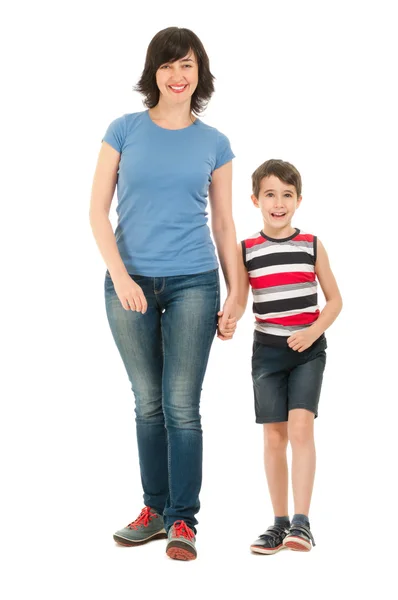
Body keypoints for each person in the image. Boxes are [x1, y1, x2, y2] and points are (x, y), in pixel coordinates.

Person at [89, 26, 238, 561]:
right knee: (147, 404)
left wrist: (236, 293)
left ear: (200, 75)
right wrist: (123, 278)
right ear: (154, 72)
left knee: (181, 405)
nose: (178, 75)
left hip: (195, 280)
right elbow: (96, 213)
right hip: (128, 283)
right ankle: (154, 511)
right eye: (169, 65)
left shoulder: (214, 143)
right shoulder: (123, 130)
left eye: (188, 66)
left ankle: (184, 521)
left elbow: (223, 225)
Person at [235, 159, 342, 554]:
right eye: (269, 194)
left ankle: (302, 522)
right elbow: (240, 300)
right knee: (273, 436)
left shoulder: (311, 244)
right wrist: (227, 318)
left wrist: (313, 331)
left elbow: (335, 300)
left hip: (308, 351)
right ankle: (278, 523)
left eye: (286, 195)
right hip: (266, 353)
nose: (278, 203)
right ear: (255, 200)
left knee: (300, 429)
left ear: (298, 200)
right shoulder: (246, 250)